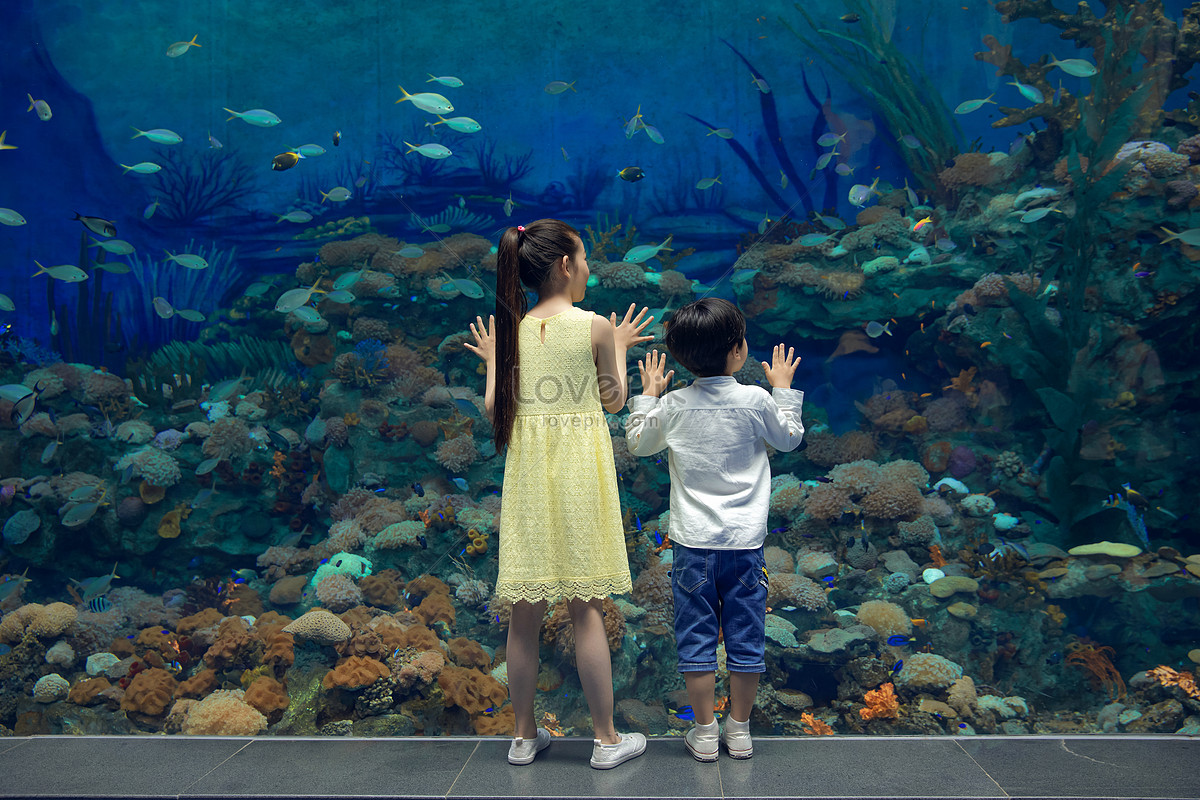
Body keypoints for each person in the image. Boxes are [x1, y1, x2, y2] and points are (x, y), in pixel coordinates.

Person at [464, 218, 653, 769]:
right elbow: (614, 401)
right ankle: (605, 740)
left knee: (524, 612)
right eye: (586, 259)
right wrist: (616, 347)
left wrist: (494, 364)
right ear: (565, 266)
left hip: (527, 477)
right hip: (579, 475)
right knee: (587, 607)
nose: (589, 268)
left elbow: (494, 411)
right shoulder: (594, 325)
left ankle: (523, 737)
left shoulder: (512, 330)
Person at [625, 297, 804, 762]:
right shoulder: (755, 400)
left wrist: (648, 393)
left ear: (681, 358)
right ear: (739, 351)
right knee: (746, 637)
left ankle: (704, 733)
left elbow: (638, 443)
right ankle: (739, 730)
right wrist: (783, 388)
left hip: (691, 547)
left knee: (697, 639)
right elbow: (789, 439)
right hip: (745, 546)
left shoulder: (675, 405)